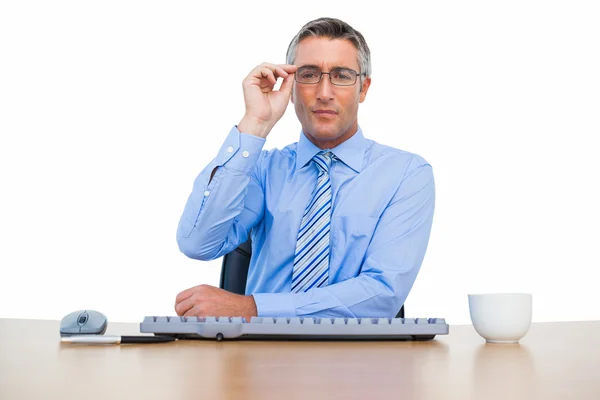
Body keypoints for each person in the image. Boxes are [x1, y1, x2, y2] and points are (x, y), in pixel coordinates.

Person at [174, 17, 435, 320]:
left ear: (363, 88)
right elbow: (197, 243)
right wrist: (255, 125)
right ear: (292, 87)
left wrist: (253, 309)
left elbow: (382, 294)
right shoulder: (261, 169)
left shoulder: (406, 174)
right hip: (259, 359)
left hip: (360, 361)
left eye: (341, 75)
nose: (324, 92)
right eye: (309, 75)